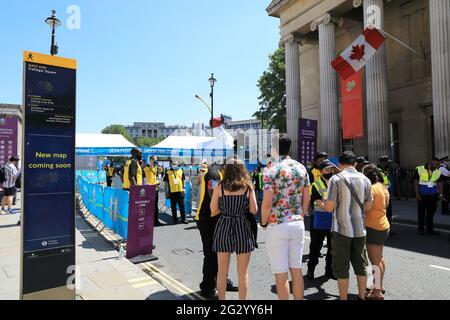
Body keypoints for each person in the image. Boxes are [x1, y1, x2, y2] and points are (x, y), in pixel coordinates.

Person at [261, 133, 310, 300]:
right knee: (296, 271)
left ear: (274, 149)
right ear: (289, 147)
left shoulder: (270, 169)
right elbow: (306, 198)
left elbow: (267, 203)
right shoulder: (301, 167)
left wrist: (263, 221)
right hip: (297, 223)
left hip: (277, 224)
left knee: (281, 274)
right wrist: (300, 215)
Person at [324, 151, 373, 300]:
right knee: (361, 265)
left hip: (341, 229)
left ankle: (343, 297)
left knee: (341, 267)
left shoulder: (335, 179)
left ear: (340, 164)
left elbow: (329, 207)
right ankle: (361, 296)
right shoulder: (365, 179)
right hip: (359, 229)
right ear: (355, 164)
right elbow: (369, 206)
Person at [211, 156, 258, 300]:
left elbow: (213, 210)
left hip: (224, 226)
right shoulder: (247, 187)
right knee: (243, 273)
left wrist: (225, 210)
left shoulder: (220, 186)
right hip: (242, 228)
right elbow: (254, 210)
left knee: (222, 272)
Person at [195, 162, 238, 298]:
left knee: (222, 254)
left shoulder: (222, 174)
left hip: (218, 219)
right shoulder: (213, 174)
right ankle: (207, 287)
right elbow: (213, 195)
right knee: (211, 255)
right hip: (207, 220)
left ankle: (222, 281)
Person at [306, 159, 339, 281]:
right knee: (315, 247)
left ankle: (329, 271)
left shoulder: (335, 183)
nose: (329, 172)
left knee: (332, 248)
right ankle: (311, 270)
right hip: (320, 220)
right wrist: (332, 207)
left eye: (331, 170)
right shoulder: (315, 185)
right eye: (327, 170)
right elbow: (319, 203)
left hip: (333, 220)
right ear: (321, 171)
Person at [362, 164, 390, 300]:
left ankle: (377, 292)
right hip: (383, 224)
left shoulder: (371, 188)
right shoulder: (383, 187)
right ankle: (380, 286)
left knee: (374, 261)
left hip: (373, 226)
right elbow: (386, 204)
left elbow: (367, 208)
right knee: (379, 258)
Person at [415, 157, 444, 235]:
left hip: (433, 196)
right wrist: (417, 194)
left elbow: (440, 183)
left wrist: (440, 194)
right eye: (436, 164)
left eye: (438, 164)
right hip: (422, 195)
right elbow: (416, 182)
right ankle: (421, 229)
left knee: (431, 213)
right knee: (421, 213)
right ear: (431, 162)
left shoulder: (438, 171)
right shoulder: (419, 169)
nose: (437, 166)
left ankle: (429, 229)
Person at [164, 160, 187, 224]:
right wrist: (166, 192)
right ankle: (175, 220)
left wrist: (184, 189)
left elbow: (183, 180)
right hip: (172, 192)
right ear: (171, 165)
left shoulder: (181, 170)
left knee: (182, 206)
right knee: (173, 207)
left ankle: (183, 219)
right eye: (173, 164)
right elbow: (165, 182)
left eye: (175, 164)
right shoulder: (168, 172)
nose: (174, 165)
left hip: (180, 191)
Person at [378, 156, 394, 235]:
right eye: (387, 162)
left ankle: (388, 229)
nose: (389, 164)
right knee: (383, 213)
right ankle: (382, 229)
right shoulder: (377, 172)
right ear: (382, 162)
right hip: (381, 196)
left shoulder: (386, 171)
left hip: (387, 195)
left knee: (389, 214)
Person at [144, 156, 162, 226]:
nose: (155, 162)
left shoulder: (155, 168)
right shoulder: (145, 168)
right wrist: (151, 185)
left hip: (155, 189)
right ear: (151, 160)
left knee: (155, 206)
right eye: (154, 160)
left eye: (156, 160)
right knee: (148, 206)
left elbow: (156, 178)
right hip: (148, 190)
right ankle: (148, 221)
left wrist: (157, 182)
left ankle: (156, 221)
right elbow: (144, 181)